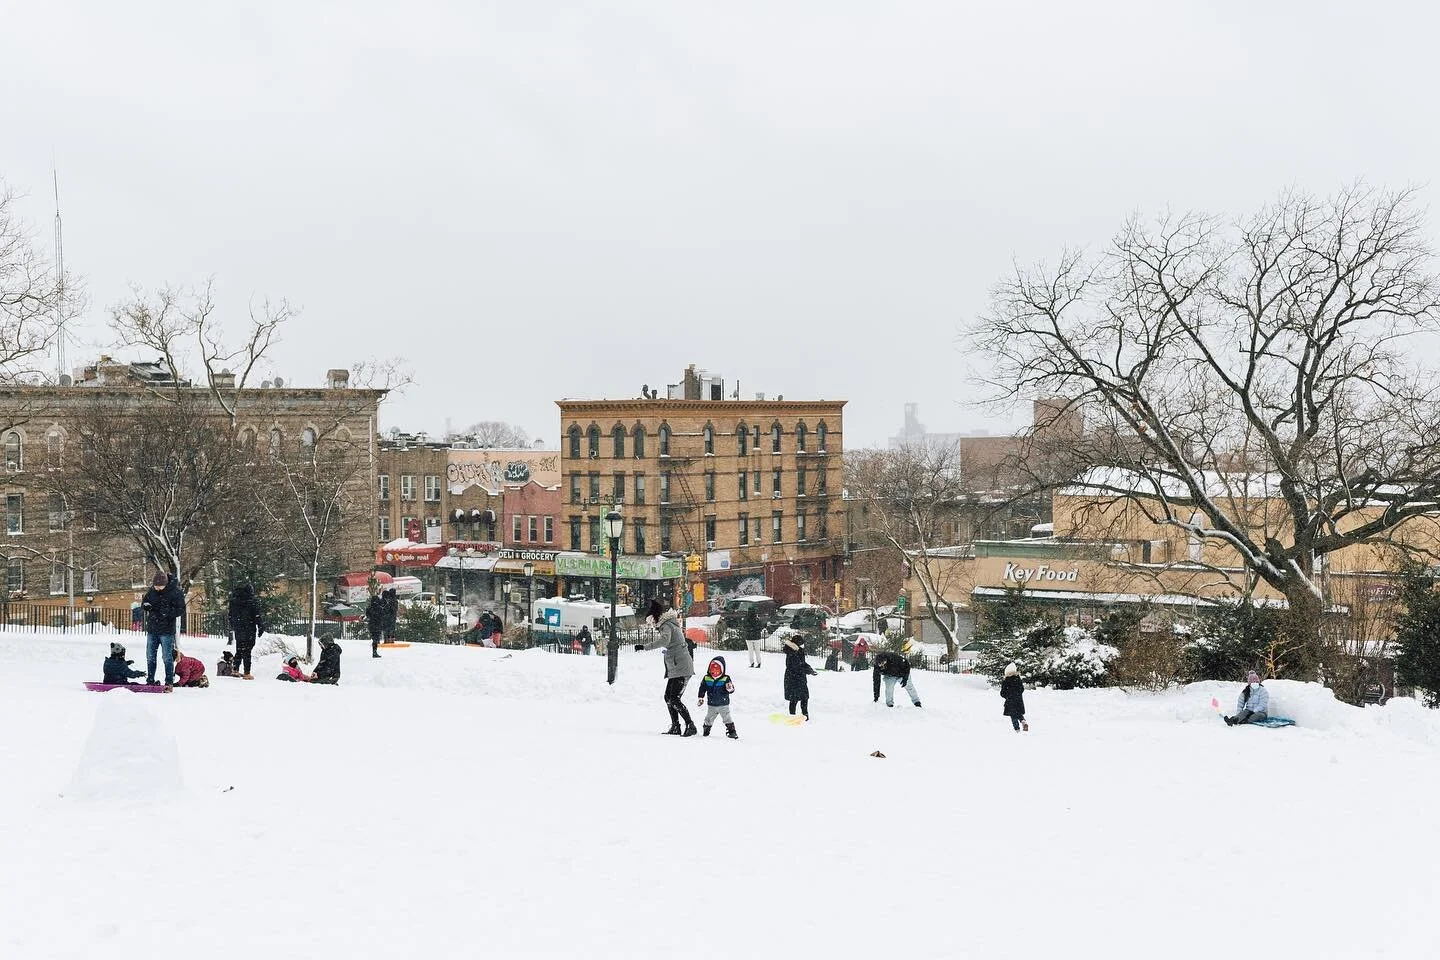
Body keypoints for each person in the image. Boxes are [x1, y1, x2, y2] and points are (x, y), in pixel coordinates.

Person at [635, 598, 697, 736]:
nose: (652, 626)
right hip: (677, 667)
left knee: (674, 698)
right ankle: (676, 726)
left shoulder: (666, 626)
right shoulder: (668, 624)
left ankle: (690, 725)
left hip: (681, 667)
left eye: (651, 622)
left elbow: (665, 640)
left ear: (655, 618)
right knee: (668, 697)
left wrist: (645, 647)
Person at [141, 570, 186, 690]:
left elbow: (181, 609)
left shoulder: (175, 592)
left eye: (160, 587)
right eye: (156, 587)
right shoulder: (152, 591)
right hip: (152, 629)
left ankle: (169, 682)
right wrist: (145, 606)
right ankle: (150, 679)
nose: (157, 589)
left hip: (166, 630)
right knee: (150, 656)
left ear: (165, 584)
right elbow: (144, 602)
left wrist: (167, 613)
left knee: (167, 657)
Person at [696, 655, 739, 739]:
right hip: (711, 704)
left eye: (717, 669)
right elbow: (702, 688)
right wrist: (701, 697)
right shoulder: (706, 678)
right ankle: (706, 729)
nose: (714, 671)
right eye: (712, 669)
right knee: (709, 718)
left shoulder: (726, 678)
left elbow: (731, 690)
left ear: (722, 670)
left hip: (723, 704)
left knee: (727, 718)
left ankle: (732, 731)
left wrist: (730, 689)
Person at [227, 582, 262, 679]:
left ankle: (235, 669)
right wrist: (260, 626)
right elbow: (257, 615)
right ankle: (247, 672)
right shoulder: (252, 601)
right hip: (249, 628)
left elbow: (230, 615)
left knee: (239, 648)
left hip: (239, 629)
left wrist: (234, 625)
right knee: (247, 650)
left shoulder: (234, 601)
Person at [782, 633, 817, 720]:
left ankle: (805, 716)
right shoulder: (791, 651)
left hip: (799, 678)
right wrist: (808, 671)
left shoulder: (799, 650)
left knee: (804, 697)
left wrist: (810, 669)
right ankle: (792, 717)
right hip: (793, 678)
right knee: (794, 699)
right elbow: (796, 666)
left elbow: (802, 663)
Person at [1000, 662, 1028, 731]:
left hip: (1010, 700)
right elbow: (1022, 689)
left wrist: (1008, 695)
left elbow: (1002, 693)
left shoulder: (1006, 681)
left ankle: (1017, 730)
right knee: (1018, 712)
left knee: (1013, 715)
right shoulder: (1018, 679)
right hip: (1018, 699)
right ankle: (1023, 721)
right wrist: (1017, 694)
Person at [366, 590, 386, 658]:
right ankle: (375, 652)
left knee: (374, 638)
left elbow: (368, 616)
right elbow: (382, 616)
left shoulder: (369, 608)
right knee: (376, 638)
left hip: (371, 625)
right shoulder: (379, 608)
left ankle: (374, 650)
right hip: (377, 625)